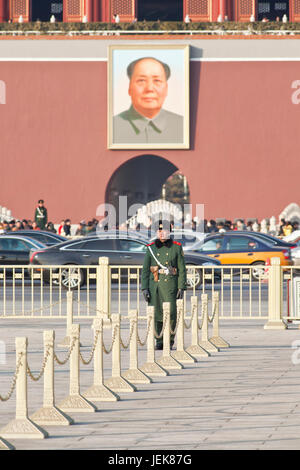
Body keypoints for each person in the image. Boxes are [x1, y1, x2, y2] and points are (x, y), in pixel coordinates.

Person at [113, 57, 184, 144]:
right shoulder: (111, 126)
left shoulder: (184, 126)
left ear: (166, 89)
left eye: (157, 80)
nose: (149, 88)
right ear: (129, 88)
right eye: (141, 80)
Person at [141, 219, 187, 350]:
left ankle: (170, 339)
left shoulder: (176, 247)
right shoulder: (151, 248)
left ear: (169, 231)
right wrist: (144, 287)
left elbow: (182, 269)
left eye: (164, 231)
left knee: (171, 313)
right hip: (155, 285)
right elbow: (145, 270)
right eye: (159, 231)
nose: (161, 233)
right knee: (156, 313)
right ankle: (159, 340)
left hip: (170, 286)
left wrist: (181, 286)